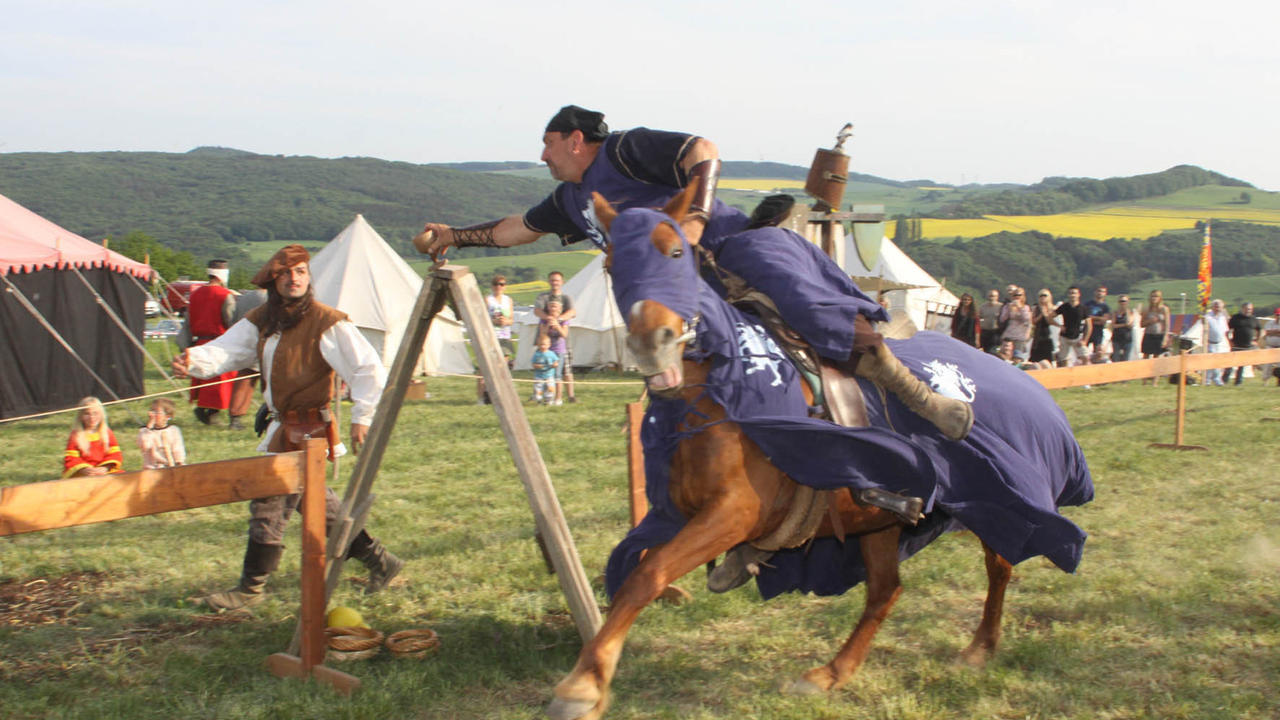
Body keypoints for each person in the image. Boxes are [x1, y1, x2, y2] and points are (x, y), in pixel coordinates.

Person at [416, 104, 972, 443]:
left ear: (576, 140)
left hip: (727, 248)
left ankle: (919, 396)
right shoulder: (570, 197)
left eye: (548, 144)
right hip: (669, 292)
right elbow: (519, 228)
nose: (542, 155)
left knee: (795, 294)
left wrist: (699, 215)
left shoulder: (625, 150)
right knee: (672, 388)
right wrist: (454, 235)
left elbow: (702, 150)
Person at [171, 245, 404, 611]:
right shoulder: (263, 319)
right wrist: (194, 360)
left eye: (300, 272)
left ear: (308, 277)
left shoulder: (327, 321)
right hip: (282, 428)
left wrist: (363, 416)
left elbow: (367, 367)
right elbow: (229, 350)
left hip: (308, 433)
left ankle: (250, 589)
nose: (294, 279)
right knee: (323, 510)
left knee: (268, 503)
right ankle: (382, 561)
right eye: (286, 273)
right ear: (274, 280)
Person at [185, 260, 238, 425]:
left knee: (206, 380)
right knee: (219, 382)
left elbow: (189, 321)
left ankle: (207, 411)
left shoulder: (195, 294)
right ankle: (209, 412)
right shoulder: (225, 295)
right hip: (218, 343)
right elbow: (229, 320)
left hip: (200, 343)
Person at [227, 288, 268, 430]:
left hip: (246, 343)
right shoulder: (268, 297)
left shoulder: (244, 297)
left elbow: (233, 320)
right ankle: (236, 417)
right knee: (248, 381)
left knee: (244, 380)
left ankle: (235, 417)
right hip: (262, 342)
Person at [535, 271, 576, 402]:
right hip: (546, 339)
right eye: (552, 280)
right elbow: (537, 311)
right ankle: (544, 396)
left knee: (566, 370)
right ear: (549, 281)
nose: (555, 283)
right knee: (545, 370)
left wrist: (558, 320)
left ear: (562, 282)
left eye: (557, 280)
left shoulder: (566, 298)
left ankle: (570, 396)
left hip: (561, 340)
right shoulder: (543, 297)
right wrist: (549, 319)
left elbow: (573, 312)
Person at [476, 274, 515, 405]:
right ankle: (481, 397)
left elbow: (512, 320)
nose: (499, 286)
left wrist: (506, 321)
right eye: (496, 284)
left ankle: (501, 396)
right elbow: (481, 318)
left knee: (502, 368)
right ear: (492, 286)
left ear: (505, 286)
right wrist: (493, 320)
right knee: (485, 367)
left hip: (504, 336)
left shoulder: (508, 300)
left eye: (502, 284)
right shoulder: (487, 299)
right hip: (490, 336)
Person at [63, 397, 123, 478]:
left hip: (105, 471)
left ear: (101, 414)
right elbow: (71, 458)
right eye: (87, 414)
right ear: (81, 416)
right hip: (84, 473)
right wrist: (84, 469)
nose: (92, 417)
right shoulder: (76, 435)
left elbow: (115, 454)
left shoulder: (107, 433)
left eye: (95, 413)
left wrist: (105, 468)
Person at [136, 397, 186, 469]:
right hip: (153, 468)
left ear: (167, 416)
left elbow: (178, 448)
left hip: (172, 466)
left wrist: (179, 461)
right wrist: (149, 428)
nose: (152, 414)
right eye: (152, 411)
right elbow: (145, 446)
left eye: (156, 412)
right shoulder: (145, 431)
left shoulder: (173, 430)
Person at [539, 300, 571, 405]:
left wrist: (557, 325)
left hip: (559, 351)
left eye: (555, 306)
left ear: (560, 309)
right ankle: (548, 397)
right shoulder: (544, 320)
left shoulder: (564, 321)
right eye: (551, 306)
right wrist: (548, 325)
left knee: (557, 375)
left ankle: (558, 398)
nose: (553, 308)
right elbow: (542, 334)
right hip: (547, 351)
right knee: (546, 375)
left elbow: (564, 335)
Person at [1225, 302, 1261, 385]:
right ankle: (1224, 380)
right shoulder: (1236, 318)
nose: (1248, 311)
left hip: (1247, 347)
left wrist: (1256, 340)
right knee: (1230, 364)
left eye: (1250, 309)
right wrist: (1230, 341)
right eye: (1247, 309)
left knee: (1242, 365)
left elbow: (1260, 330)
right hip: (1236, 345)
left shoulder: (1253, 319)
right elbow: (1227, 331)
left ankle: (1238, 382)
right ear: (1243, 309)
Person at [1055, 286, 1092, 367]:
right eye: (1070, 293)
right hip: (1064, 337)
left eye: (1074, 293)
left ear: (1078, 295)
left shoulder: (1083, 308)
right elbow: (1050, 317)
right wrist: (1059, 326)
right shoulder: (1064, 307)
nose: (1072, 295)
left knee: (1085, 358)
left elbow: (1089, 326)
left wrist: (1085, 340)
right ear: (1068, 295)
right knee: (1063, 360)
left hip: (1077, 337)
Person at [1139, 290, 1172, 383]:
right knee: (1146, 356)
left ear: (1160, 298)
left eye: (1156, 296)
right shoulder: (1146, 309)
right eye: (1152, 296)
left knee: (1156, 358)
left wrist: (1165, 337)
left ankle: (1155, 381)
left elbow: (1167, 325)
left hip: (1159, 335)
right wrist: (1151, 321)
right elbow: (1141, 324)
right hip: (1148, 334)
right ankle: (1144, 380)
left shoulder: (1164, 309)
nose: (1154, 298)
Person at [999, 287, 1032, 360]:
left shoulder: (1026, 307)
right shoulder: (1007, 306)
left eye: (1019, 295)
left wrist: (1020, 307)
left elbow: (1027, 319)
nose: (1017, 297)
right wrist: (1008, 309)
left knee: (1017, 357)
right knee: (1005, 356)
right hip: (1009, 335)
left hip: (1020, 336)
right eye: (1014, 295)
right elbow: (1002, 319)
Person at [1203, 298, 1231, 386]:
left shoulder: (1223, 318)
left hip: (1221, 343)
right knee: (1210, 362)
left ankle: (1217, 379)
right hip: (1210, 343)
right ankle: (1207, 380)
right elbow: (1203, 327)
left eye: (1219, 306)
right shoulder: (1207, 317)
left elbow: (1225, 331)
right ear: (1212, 307)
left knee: (1219, 363)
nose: (1217, 308)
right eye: (1216, 306)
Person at [1082, 286, 1111, 363]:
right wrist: (1099, 318)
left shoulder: (1105, 307)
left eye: (1103, 292)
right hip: (1087, 331)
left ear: (1105, 294)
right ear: (1095, 292)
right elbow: (1085, 317)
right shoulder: (1088, 304)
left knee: (1097, 352)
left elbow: (1104, 320)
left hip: (1098, 332)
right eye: (1099, 291)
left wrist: (1091, 319)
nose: (1100, 293)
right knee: (1083, 352)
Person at [1029, 289, 1058, 365]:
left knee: (1050, 359)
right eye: (1040, 295)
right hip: (1038, 337)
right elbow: (1033, 321)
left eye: (1045, 295)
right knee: (1035, 360)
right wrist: (1041, 313)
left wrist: (1046, 312)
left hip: (1050, 337)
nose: (1042, 297)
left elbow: (1053, 322)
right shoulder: (1036, 308)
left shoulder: (1054, 308)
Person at [530, 334, 559, 405]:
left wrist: (555, 365)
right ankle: (538, 400)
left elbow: (556, 362)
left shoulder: (551, 354)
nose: (542, 346)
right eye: (540, 345)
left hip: (549, 375)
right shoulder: (536, 354)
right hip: (539, 376)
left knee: (550, 389)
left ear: (549, 345)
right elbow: (533, 364)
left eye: (544, 344)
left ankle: (548, 401)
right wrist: (537, 366)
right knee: (538, 388)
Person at [1110, 295, 1136, 362]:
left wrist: (1126, 311)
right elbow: (1113, 325)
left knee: (1126, 359)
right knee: (1116, 358)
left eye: (1124, 301)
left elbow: (1130, 324)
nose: (1122, 303)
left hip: (1127, 339)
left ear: (1127, 302)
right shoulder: (1115, 313)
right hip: (1116, 339)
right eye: (1121, 301)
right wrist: (1124, 324)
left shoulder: (1131, 312)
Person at [978, 289, 1003, 353]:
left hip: (995, 332)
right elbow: (978, 318)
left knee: (992, 351)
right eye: (990, 296)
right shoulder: (983, 306)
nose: (991, 298)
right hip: (984, 332)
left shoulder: (1001, 307)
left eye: (993, 296)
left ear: (997, 297)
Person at [1261, 308, 1280, 386]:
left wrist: (1272, 332)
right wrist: (1276, 332)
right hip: (1270, 346)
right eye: (1277, 315)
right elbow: (1267, 332)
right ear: (1274, 315)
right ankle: (1265, 381)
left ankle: (1279, 382)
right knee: (1267, 365)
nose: (1278, 316)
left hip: (1279, 347)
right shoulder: (1269, 323)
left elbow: (1270, 333)